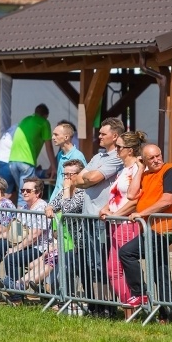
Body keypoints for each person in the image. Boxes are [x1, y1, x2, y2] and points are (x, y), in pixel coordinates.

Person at [67, 117, 124, 316]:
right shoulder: (98, 156)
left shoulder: (117, 157)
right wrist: (85, 179)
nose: (98, 136)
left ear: (114, 136)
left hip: (103, 219)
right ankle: (97, 305)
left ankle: (108, 307)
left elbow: (92, 177)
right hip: (88, 216)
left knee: (103, 264)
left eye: (103, 133)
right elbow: (78, 179)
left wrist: (86, 179)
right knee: (92, 263)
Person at [120, 144, 172, 322]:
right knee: (160, 270)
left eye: (158, 156)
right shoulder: (146, 174)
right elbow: (132, 196)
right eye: (151, 158)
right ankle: (169, 313)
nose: (156, 160)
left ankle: (140, 293)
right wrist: (140, 168)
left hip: (163, 228)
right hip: (150, 228)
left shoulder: (170, 170)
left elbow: (167, 200)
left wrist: (142, 213)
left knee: (126, 252)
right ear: (145, 160)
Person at [100, 131, 146, 309]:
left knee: (120, 269)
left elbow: (135, 199)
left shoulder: (137, 169)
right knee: (113, 270)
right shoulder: (124, 170)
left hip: (127, 224)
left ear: (130, 150)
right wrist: (104, 209)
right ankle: (128, 306)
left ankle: (131, 308)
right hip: (115, 224)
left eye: (119, 147)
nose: (116, 150)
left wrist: (116, 214)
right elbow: (116, 195)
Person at [0, 177, 50, 303]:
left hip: (41, 247)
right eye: (22, 190)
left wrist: (16, 248)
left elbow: (35, 235)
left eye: (28, 190)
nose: (24, 193)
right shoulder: (24, 208)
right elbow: (16, 231)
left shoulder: (42, 208)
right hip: (27, 245)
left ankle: (16, 295)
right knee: (0, 245)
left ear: (37, 193)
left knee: (11, 258)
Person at [40, 159, 87, 295]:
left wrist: (66, 189)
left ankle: (83, 303)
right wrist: (49, 208)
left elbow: (66, 209)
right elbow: (53, 204)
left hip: (81, 243)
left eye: (69, 175)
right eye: (64, 174)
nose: (66, 178)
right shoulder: (65, 191)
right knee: (62, 274)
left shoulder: (82, 193)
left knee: (83, 276)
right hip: (69, 243)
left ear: (80, 174)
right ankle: (66, 301)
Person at [9, 104, 55, 207]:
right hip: (26, 161)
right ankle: (22, 221)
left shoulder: (26, 119)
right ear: (46, 115)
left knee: (21, 192)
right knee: (25, 195)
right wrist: (54, 166)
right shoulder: (44, 122)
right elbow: (49, 147)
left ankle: (19, 219)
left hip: (12, 161)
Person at [49, 122, 87, 201]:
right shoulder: (60, 154)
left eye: (56, 135)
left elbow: (82, 182)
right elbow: (59, 182)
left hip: (68, 203)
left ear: (66, 137)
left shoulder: (78, 156)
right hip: (57, 201)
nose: (53, 137)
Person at [0, 125, 17, 199]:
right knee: (4, 193)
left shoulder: (12, 128)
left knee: (1, 192)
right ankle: (0, 210)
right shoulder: (20, 130)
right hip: (5, 163)